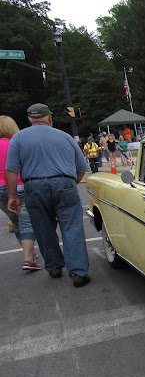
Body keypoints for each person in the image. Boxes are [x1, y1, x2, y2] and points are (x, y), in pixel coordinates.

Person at [5, 103, 91, 287]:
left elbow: (11, 170)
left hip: (34, 185)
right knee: (72, 227)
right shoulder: (65, 136)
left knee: (43, 228)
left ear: (29, 119)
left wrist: (13, 196)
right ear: (49, 118)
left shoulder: (18, 138)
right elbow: (81, 168)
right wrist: (70, 183)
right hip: (64, 182)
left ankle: (54, 266)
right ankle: (78, 271)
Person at [0, 115, 40, 271]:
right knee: (26, 221)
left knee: (16, 221)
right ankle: (28, 258)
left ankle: (30, 252)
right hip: (19, 185)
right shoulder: (16, 143)